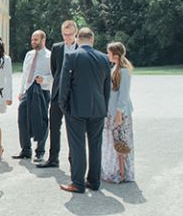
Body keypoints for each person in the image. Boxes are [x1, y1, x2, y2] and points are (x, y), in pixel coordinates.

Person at [58, 27, 112, 193]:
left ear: (78, 39)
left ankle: (78, 183)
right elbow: (106, 88)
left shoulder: (72, 56)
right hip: (98, 108)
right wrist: (104, 106)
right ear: (92, 40)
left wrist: (63, 106)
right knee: (96, 145)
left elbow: (64, 84)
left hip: (76, 108)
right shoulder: (104, 59)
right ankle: (94, 181)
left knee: (78, 146)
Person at [38, 20, 79, 169]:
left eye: (70, 34)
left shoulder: (81, 48)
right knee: (54, 127)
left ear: (76, 33)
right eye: (64, 34)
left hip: (74, 96)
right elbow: (55, 70)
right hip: (57, 94)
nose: (67, 37)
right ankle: (53, 158)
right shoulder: (57, 48)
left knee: (73, 129)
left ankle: (73, 159)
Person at [13, 30, 52, 162]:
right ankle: (26, 150)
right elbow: (25, 74)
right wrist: (21, 91)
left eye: (36, 39)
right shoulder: (29, 55)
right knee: (22, 120)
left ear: (43, 40)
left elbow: (55, 76)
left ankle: (40, 152)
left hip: (42, 92)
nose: (33, 42)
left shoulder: (50, 56)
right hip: (27, 92)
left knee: (41, 121)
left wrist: (45, 79)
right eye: (32, 39)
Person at [102, 42, 135, 183]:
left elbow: (123, 94)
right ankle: (114, 170)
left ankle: (122, 173)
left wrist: (119, 113)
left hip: (119, 113)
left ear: (115, 55)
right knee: (113, 142)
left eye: (109, 53)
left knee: (121, 143)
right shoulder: (114, 68)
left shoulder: (124, 71)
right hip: (111, 111)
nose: (107, 55)